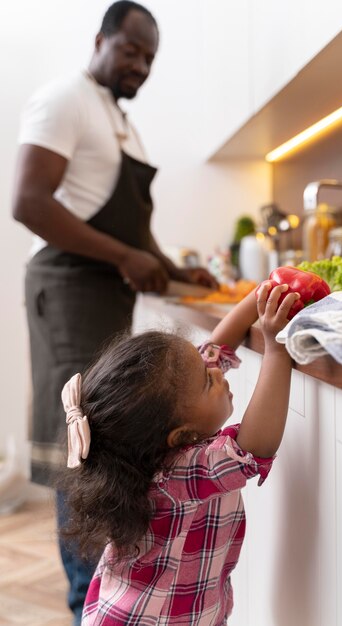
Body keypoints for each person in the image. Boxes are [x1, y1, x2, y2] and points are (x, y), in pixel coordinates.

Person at [11, 2, 216, 624]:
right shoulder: (64, 99)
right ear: (99, 40)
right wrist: (124, 256)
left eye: (149, 57)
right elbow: (27, 201)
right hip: (68, 285)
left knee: (106, 437)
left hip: (104, 288)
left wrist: (177, 270)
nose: (139, 65)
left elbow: (137, 230)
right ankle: (84, 602)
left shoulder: (120, 124)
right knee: (82, 443)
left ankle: (105, 589)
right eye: (130, 49)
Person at [60, 282, 300, 625]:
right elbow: (255, 447)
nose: (216, 370)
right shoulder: (180, 474)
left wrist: (260, 294)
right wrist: (277, 351)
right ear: (182, 435)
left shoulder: (148, 448)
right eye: (207, 380)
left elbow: (213, 351)